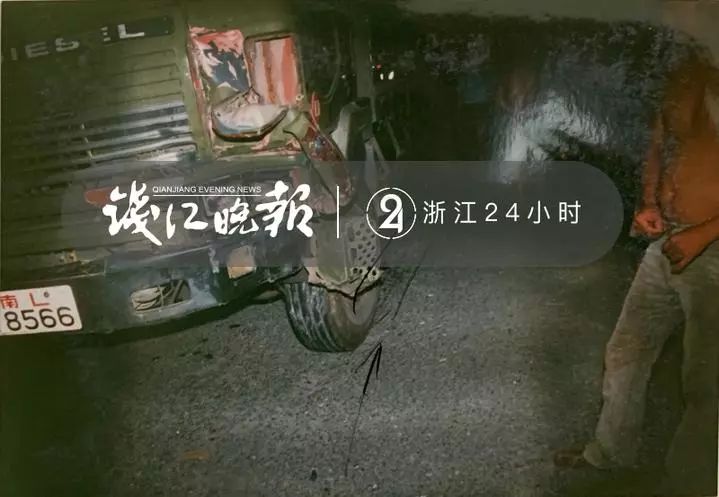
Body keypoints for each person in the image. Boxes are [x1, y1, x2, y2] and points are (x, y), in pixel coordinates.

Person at [554, 51, 719, 493]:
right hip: (668, 242)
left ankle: (690, 485)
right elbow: (658, 145)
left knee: (706, 381)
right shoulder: (679, 70)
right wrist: (648, 202)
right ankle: (611, 455)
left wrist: (703, 234)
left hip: (712, 249)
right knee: (627, 349)